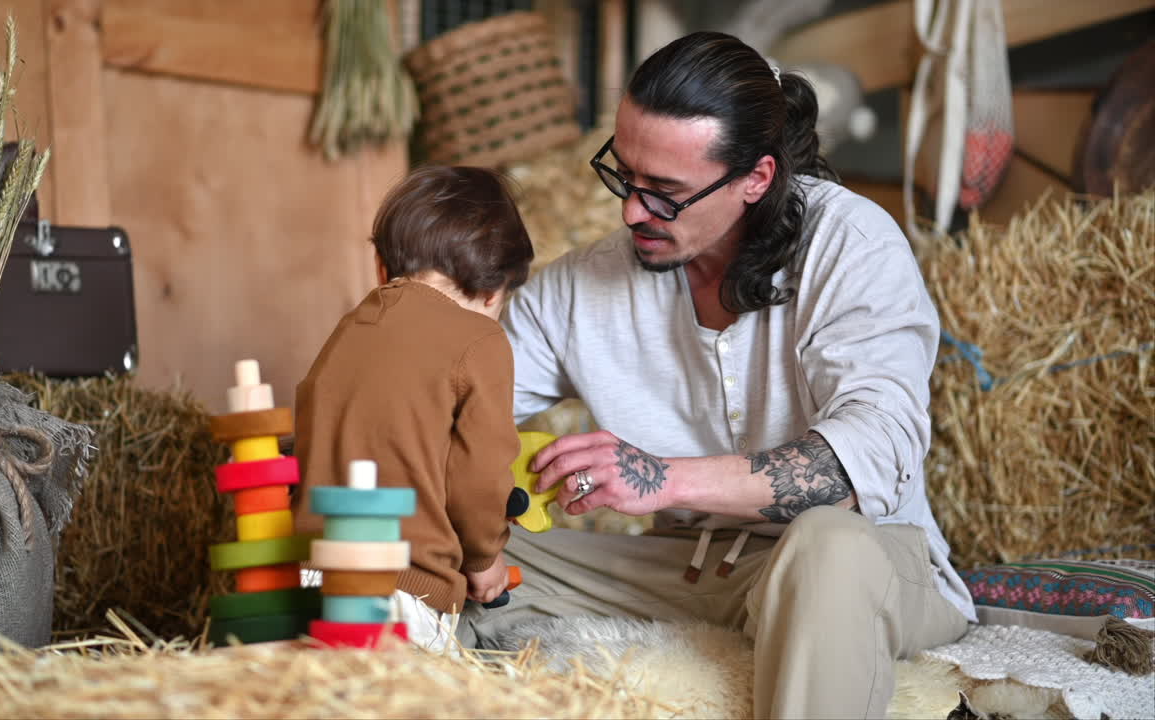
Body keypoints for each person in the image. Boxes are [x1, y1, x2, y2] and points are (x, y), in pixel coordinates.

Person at [457, 32, 975, 719]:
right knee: (446, 540)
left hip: (862, 563)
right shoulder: (585, 283)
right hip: (691, 570)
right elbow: (465, 405)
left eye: (665, 192)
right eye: (624, 175)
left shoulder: (854, 245)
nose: (632, 211)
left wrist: (660, 477)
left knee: (826, 546)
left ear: (756, 180)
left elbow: (866, 461)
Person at [293, 165, 533, 652]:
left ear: (382, 267)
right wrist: (484, 560)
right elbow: (479, 478)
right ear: (493, 290)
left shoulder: (350, 330)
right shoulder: (483, 339)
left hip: (310, 575)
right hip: (401, 591)